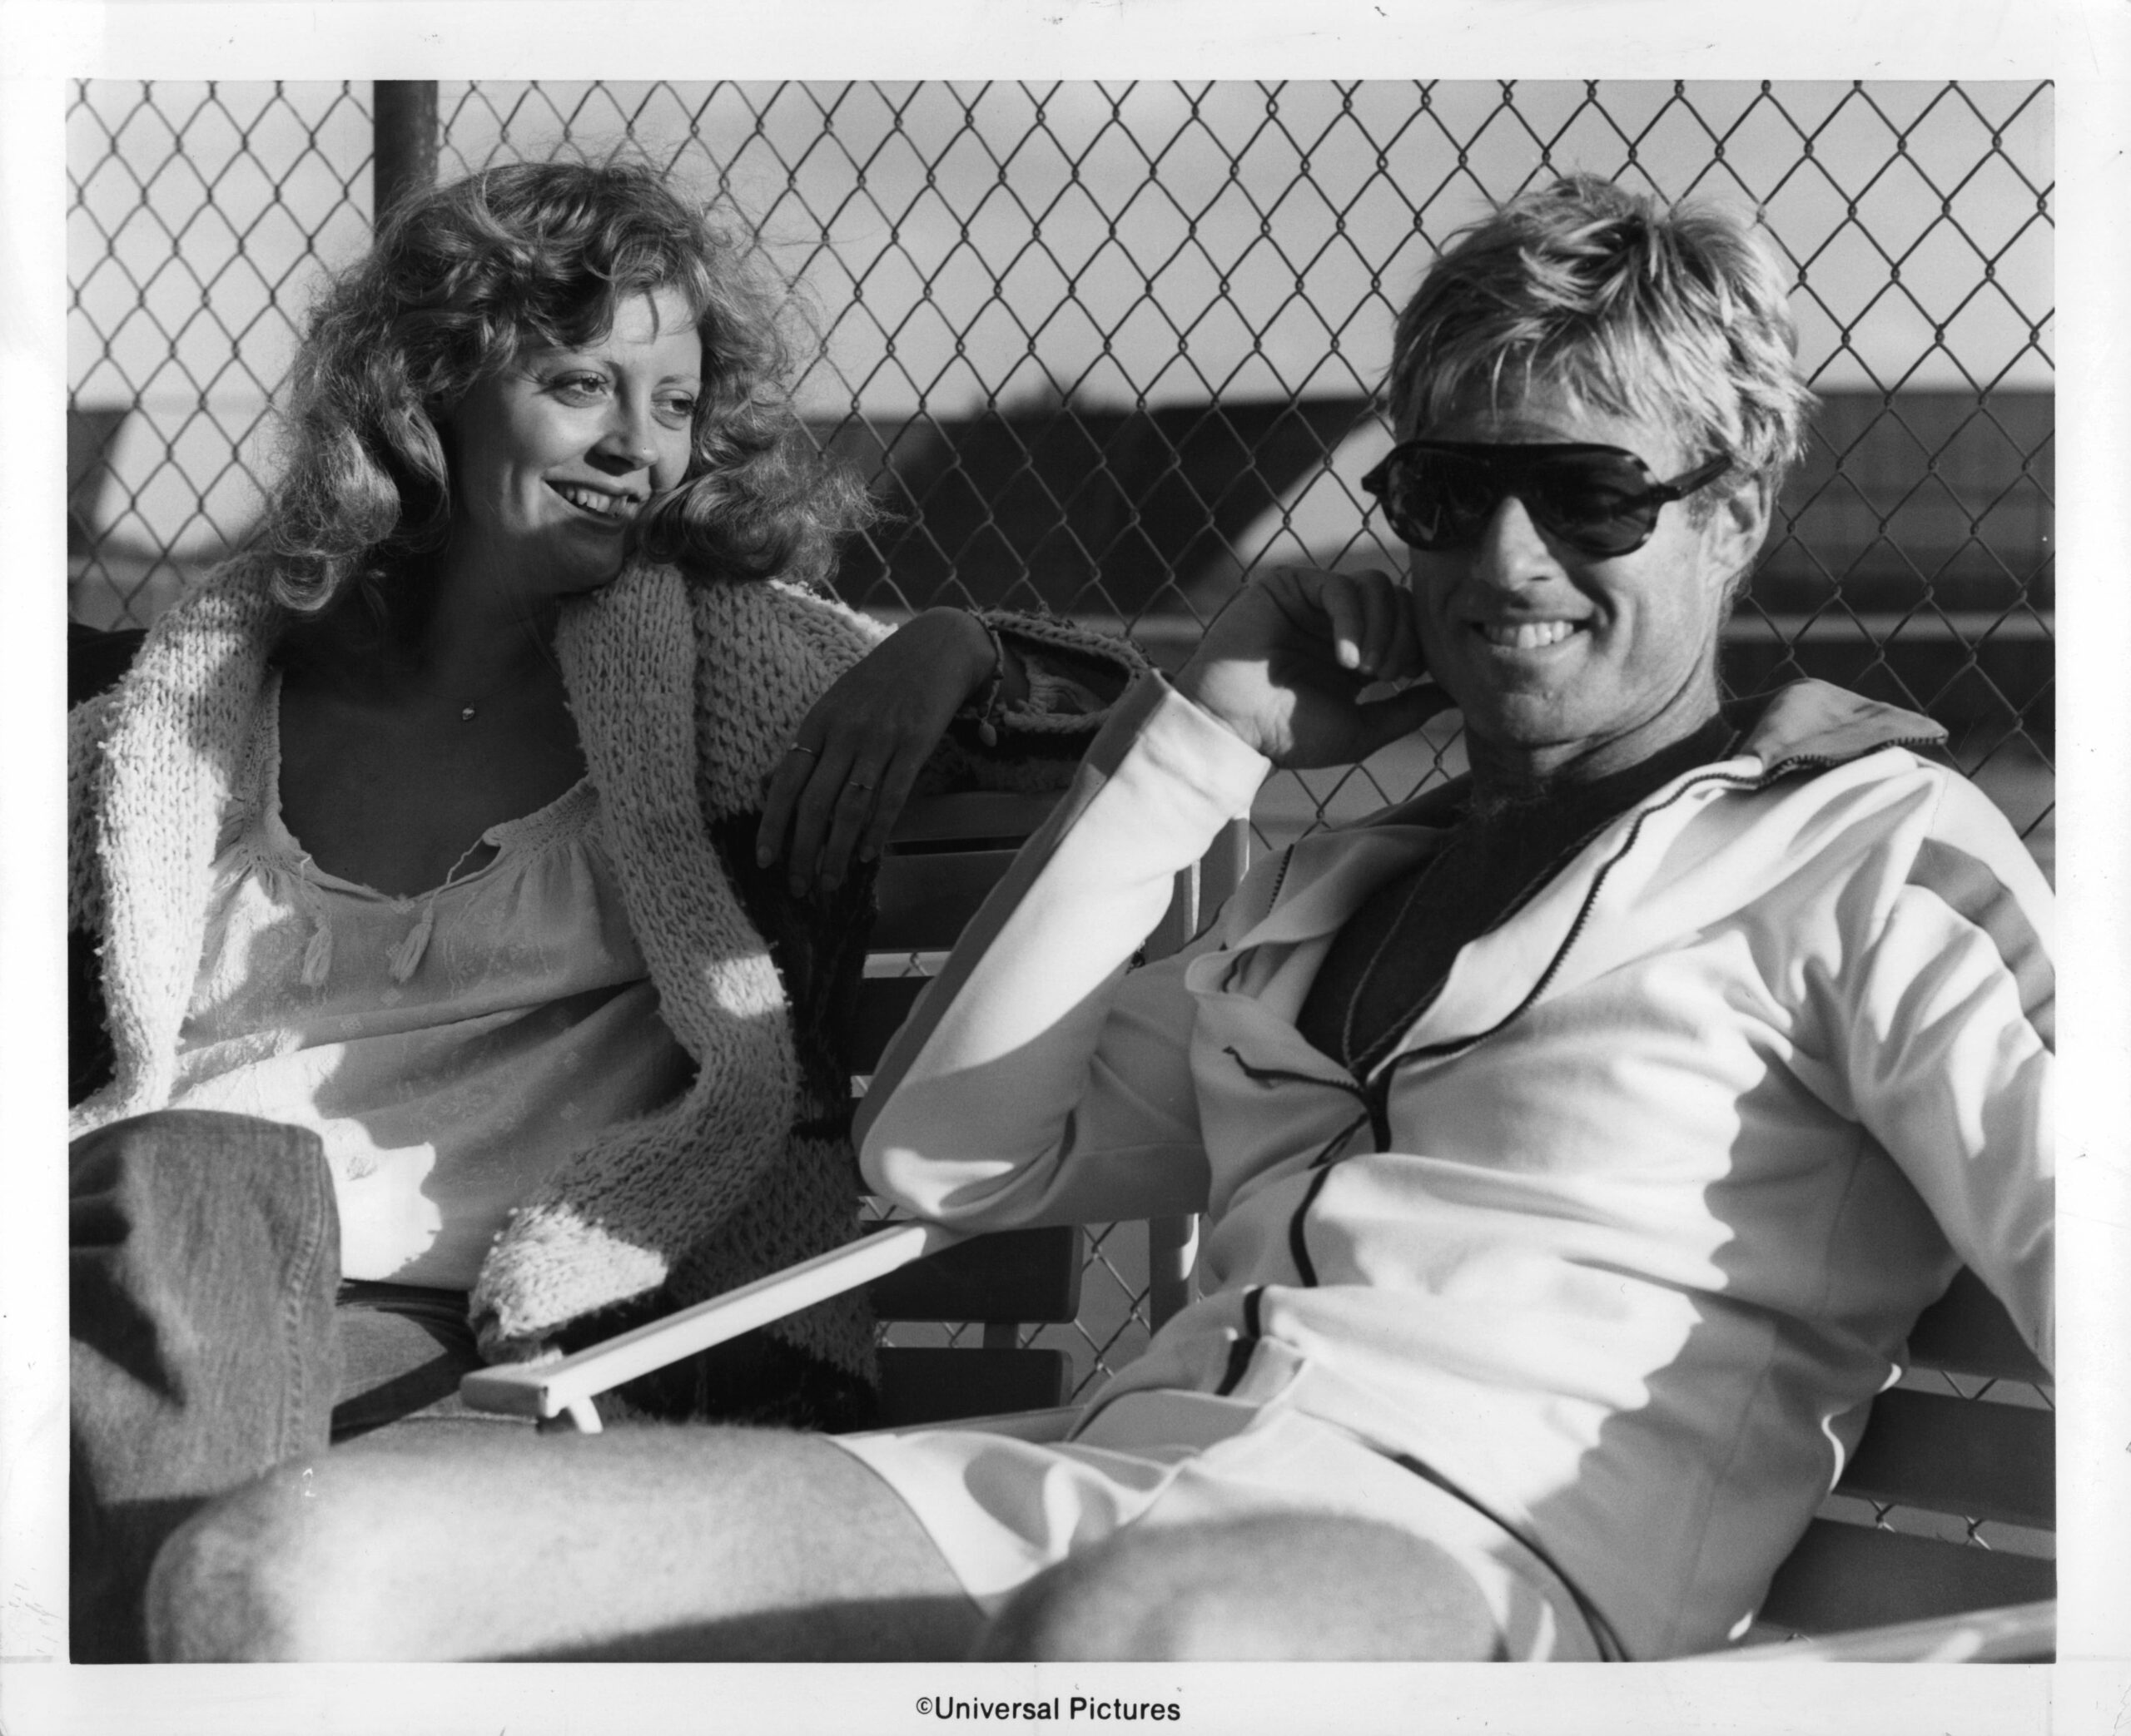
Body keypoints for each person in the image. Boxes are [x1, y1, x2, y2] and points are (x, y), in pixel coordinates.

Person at [142, 174, 2052, 1664]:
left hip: (1454, 1577)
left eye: (1588, 496)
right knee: (278, 1569)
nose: (1502, 559)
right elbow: (948, 1151)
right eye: (1446, 492)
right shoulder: (1343, 889)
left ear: (1735, 508)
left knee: (1124, 1651)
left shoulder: (1866, 853)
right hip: (1066, 1502)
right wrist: (1191, 743)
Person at [66, 156, 1137, 1661]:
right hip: (125, 1291)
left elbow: (1139, 732)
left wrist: (964, 645)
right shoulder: (209, 693)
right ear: (432, 394)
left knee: (184, 1189)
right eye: (581, 384)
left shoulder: (721, 667)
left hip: (485, 1354)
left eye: (676, 402)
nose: (640, 446)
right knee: (169, 1191)